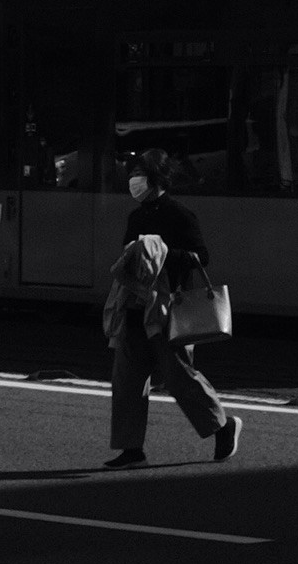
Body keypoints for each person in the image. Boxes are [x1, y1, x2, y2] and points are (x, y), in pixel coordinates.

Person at [102, 154, 240, 467]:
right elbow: (130, 254)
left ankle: (223, 425)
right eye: (132, 174)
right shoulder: (136, 217)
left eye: (139, 174)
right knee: (126, 379)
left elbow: (199, 257)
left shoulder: (180, 215)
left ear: (156, 179)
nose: (133, 181)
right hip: (136, 305)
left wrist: (160, 252)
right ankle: (131, 448)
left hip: (167, 308)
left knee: (179, 376)